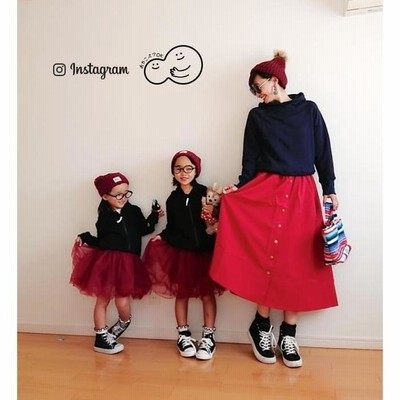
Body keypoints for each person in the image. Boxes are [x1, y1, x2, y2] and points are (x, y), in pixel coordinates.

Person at [208, 50, 339, 368]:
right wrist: (240, 187)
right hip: (266, 190)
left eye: (258, 86)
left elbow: (323, 151)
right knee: (267, 256)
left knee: (299, 261)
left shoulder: (308, 110)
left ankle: (289, 333)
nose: (257, 93)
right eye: (253, 89)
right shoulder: (257, 117)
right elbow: (250, 158)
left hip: (303, 192)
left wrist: (330, 188)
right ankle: (261, 325)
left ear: (274, 80)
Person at [70, 172, 164, 354]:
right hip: (107, 261)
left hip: (128, 263)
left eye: (126, 193)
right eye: (118, 194)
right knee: (102, 299)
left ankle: (124, 321)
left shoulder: (134, 211)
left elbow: (144, 229)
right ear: (105, 196)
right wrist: (86, 237)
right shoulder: (104, 218)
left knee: (122, 301)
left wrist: (154, 216)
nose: (123, 198)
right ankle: (100, 337)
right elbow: (102, 241)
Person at [142, 150, 224, 361]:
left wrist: (215, 218)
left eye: (188, 168)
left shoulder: (206, 193)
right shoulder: (173, 199)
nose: (184, 173)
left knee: (207, 294)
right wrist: (161, 236)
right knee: (182, 293)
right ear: (173, 172)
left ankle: (208, 336)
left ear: (196, 170)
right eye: (178, 169)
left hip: (206, 252)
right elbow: (172, 226)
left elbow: (219, 219)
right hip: (183, 254)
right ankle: (183, 334)